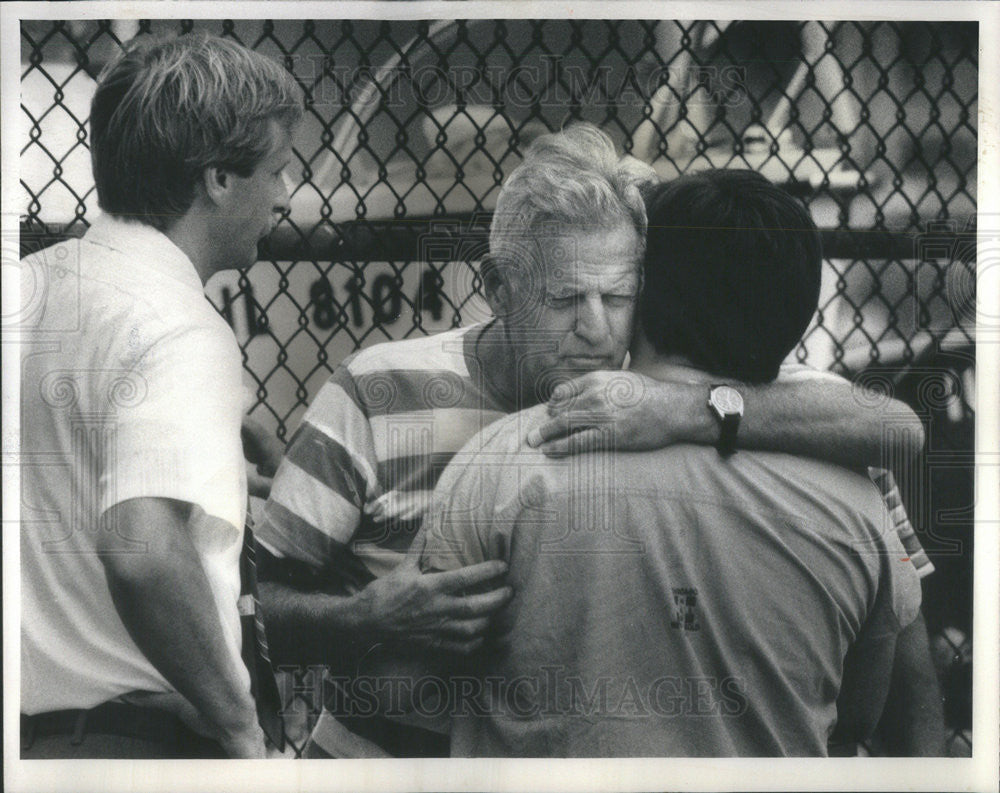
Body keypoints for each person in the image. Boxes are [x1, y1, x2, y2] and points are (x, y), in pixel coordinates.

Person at [255, 124, 929, 757]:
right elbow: (255, 607)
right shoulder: (378, 392)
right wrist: (365, 618)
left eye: (619, 294)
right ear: (495, 286)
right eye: (564, 298)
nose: (597, 328)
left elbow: (894, 426)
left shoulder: (688, 389)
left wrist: (689, 408)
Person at [418, 169, 938, 756]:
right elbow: (862, 714)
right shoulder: (856, 488)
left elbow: (403, 687)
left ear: (646, 292)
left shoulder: (505, 459)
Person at [19, 32, 303, 758]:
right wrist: (239, 723)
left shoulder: (26, 287)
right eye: (276, 169)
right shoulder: (181, 329)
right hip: (140, 741)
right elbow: (141, 549)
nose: (285, 193)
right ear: (217, 180)